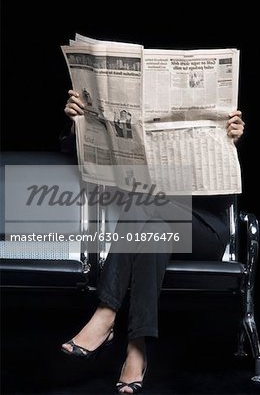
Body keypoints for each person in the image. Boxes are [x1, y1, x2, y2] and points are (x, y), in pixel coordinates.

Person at [61, 89, 244, 394]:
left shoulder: (219, 125)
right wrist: (77, 122)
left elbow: (224, 196)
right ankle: (136, 348)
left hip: (203, 228)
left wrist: (230, 142)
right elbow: (79, 156)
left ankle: (105, 314)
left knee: (144, 204)